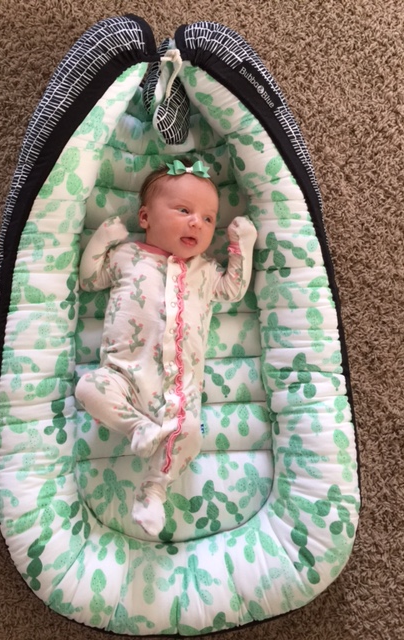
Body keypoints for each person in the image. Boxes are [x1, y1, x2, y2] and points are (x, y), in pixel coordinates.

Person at [75, 159, 257, 536]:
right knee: (89, 388)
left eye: (209, 219)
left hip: (177, 392)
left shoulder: (205, 272)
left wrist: (242, 245)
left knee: (190, 432)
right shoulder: (127, 256)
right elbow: (90, 279)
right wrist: (103, 239)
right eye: (184, 211)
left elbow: (234, 289)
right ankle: (137, 428)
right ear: (145, 217)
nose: (197, 223)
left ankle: (155, 490)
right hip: (123, 377)